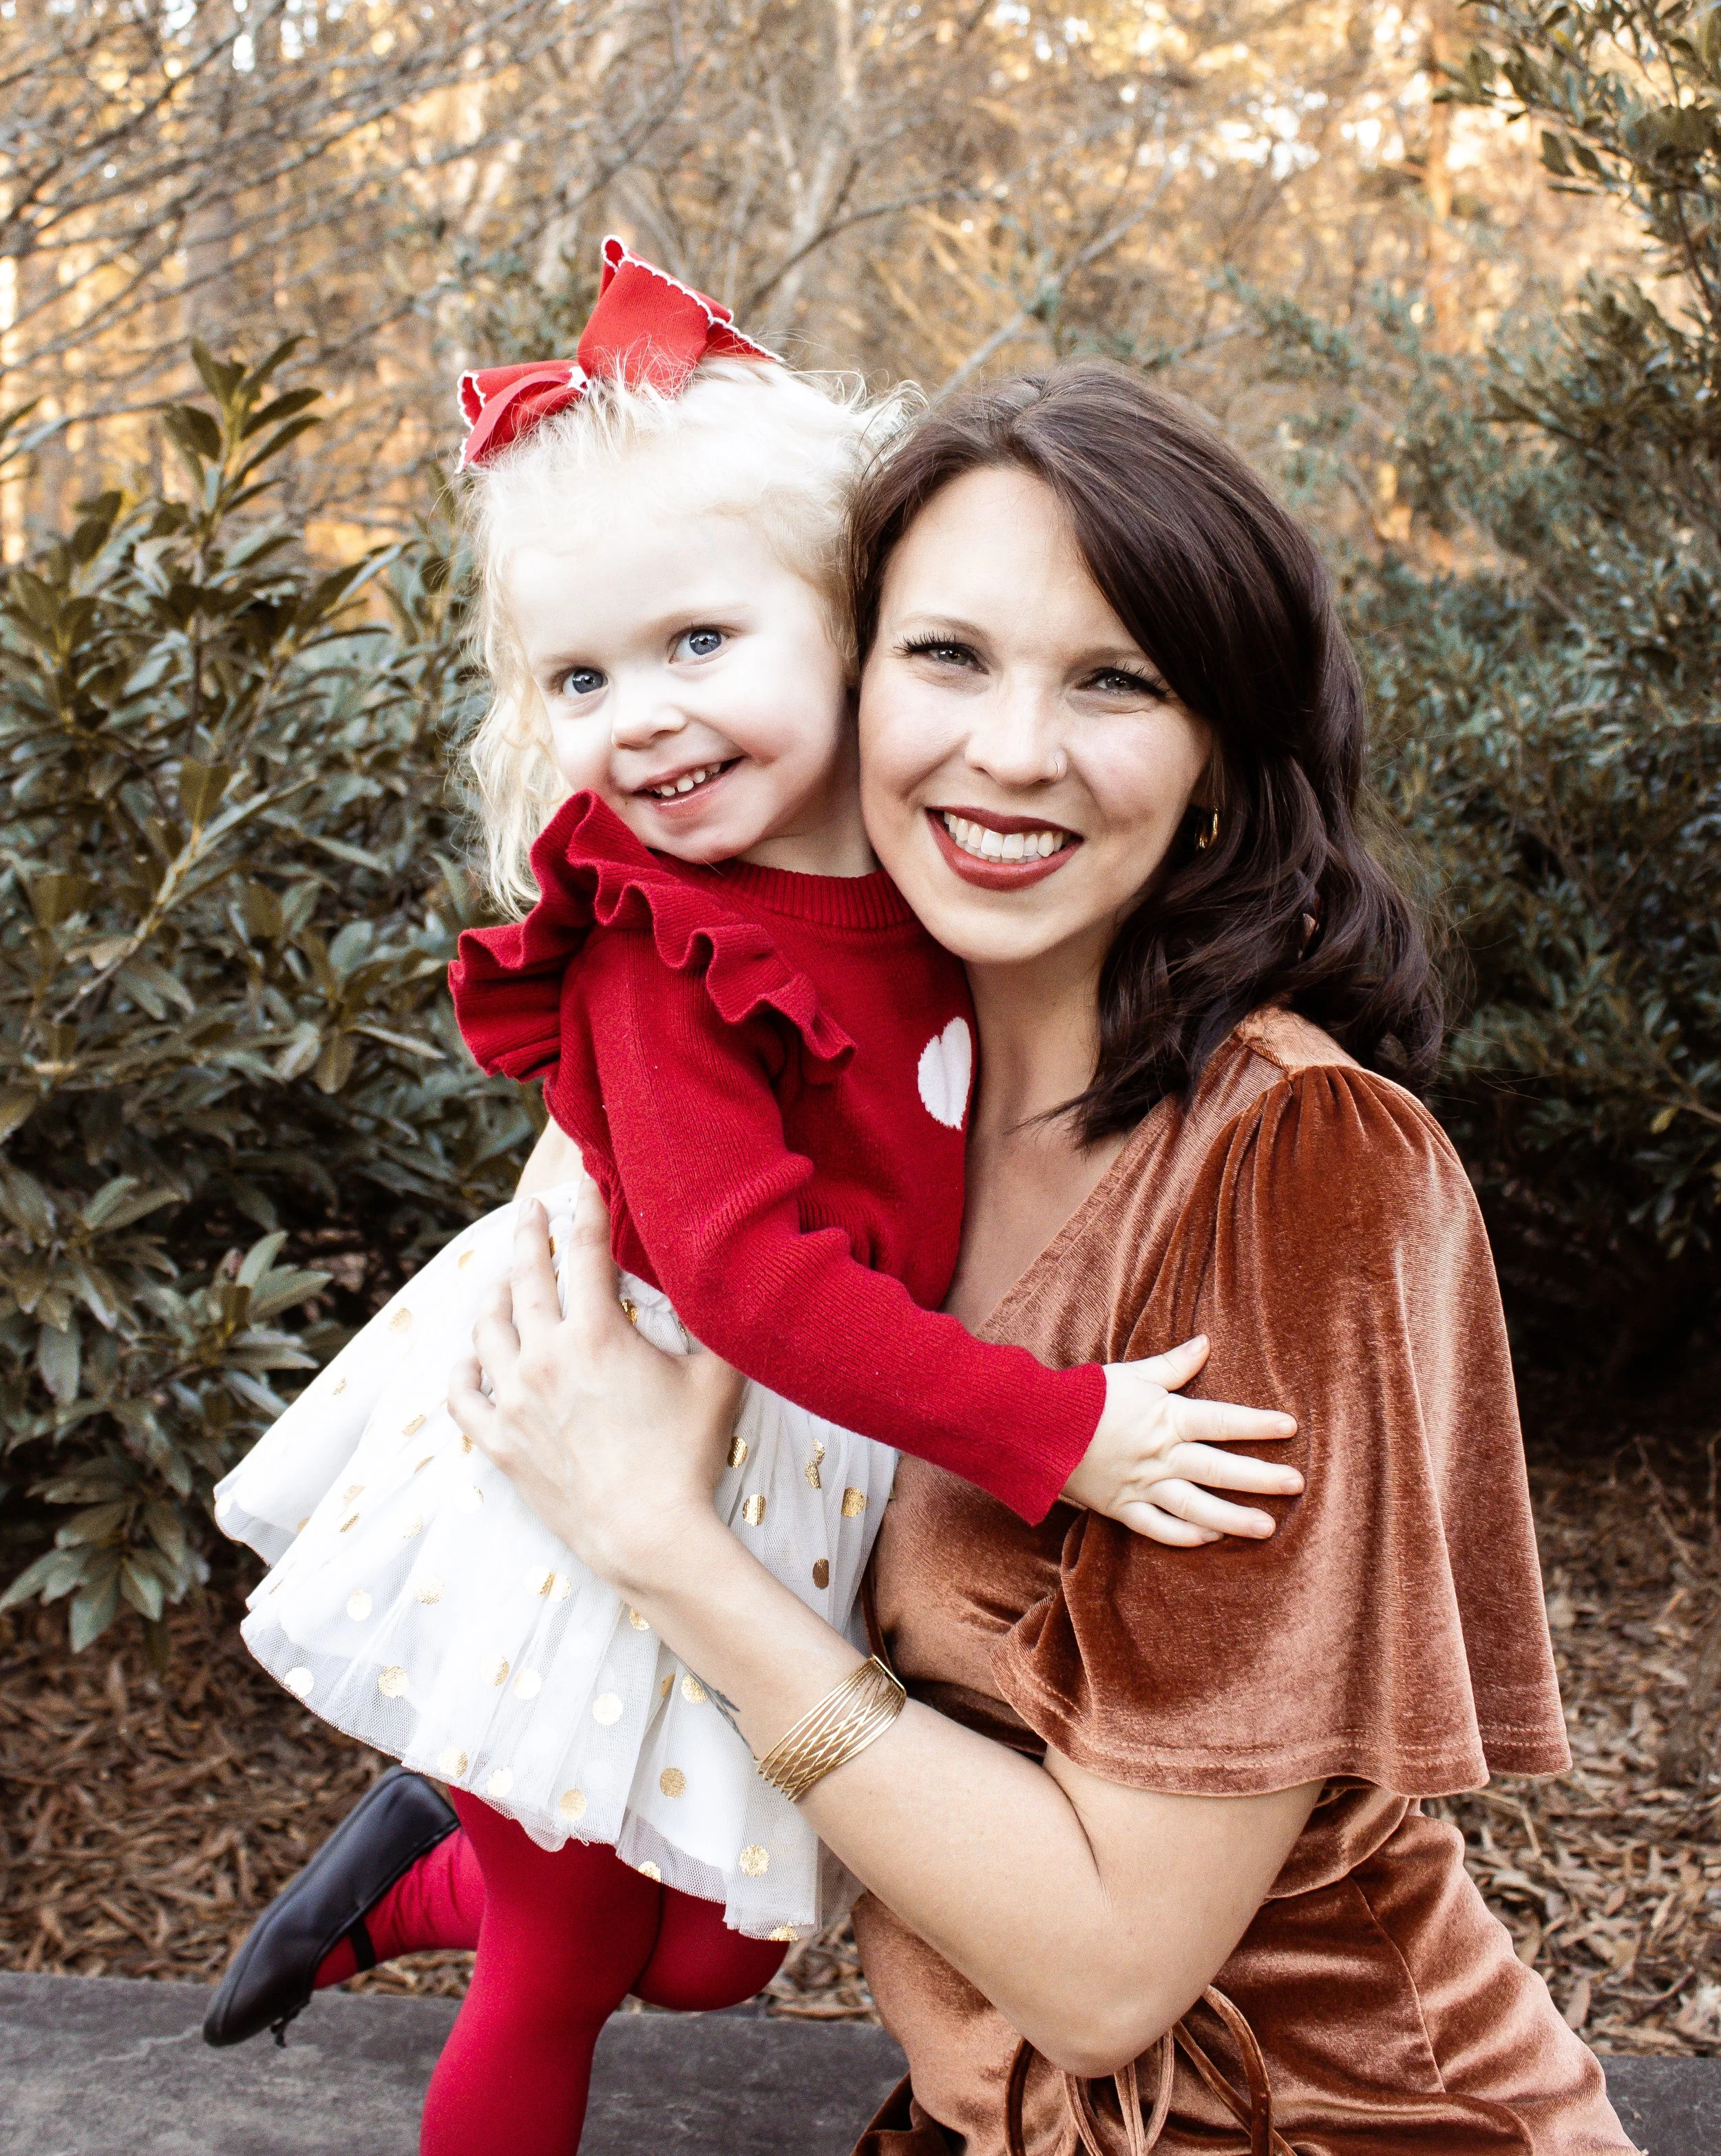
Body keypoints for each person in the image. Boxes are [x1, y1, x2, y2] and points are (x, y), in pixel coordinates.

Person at [449, 362, 1633, 2151]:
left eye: (1114, 681)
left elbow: (1104, 1972)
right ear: (836, 673)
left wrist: (660, 1547)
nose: (1010, 750)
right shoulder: (847, 1098)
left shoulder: (1288, 1171)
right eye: (947, 656)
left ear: (1223, 749)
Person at [204, 272, 1298, 2156]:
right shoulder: (659, 935)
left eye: (701, 639)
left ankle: (419, 1857)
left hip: (790, 1467)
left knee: (711, 1952)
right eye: (582, 679)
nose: (645, 718)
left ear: (851, 635)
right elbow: (740, 1271)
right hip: (612, 1458)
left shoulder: (929, 854)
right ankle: (480, 1850)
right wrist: (1059, 1435)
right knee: (560, 1970)